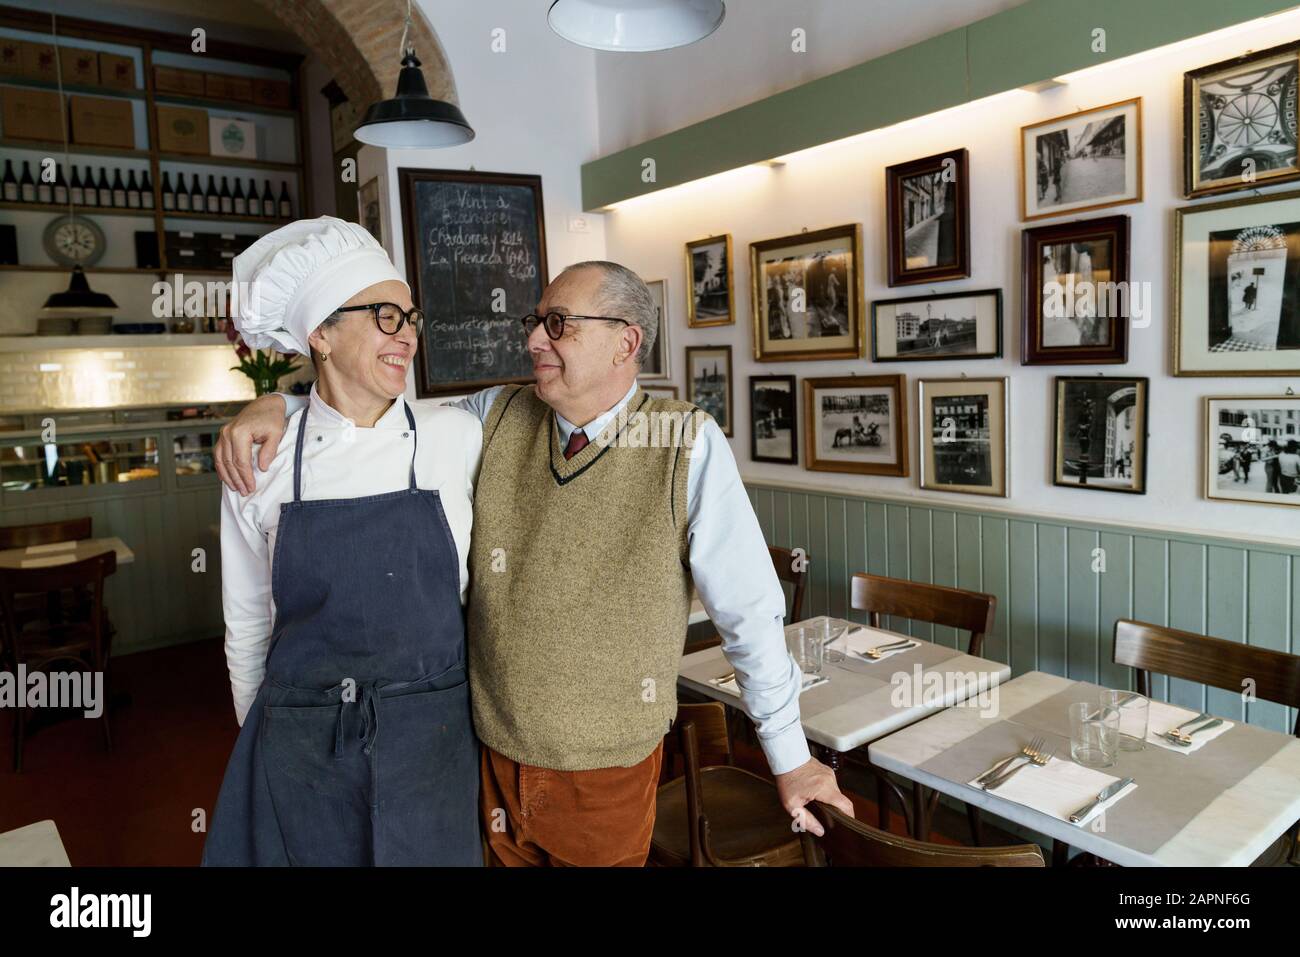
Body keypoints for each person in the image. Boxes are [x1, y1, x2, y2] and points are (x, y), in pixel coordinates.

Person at [215, 260, 853, 866]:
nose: (534, 341)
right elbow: (371, 416)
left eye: (558, 324)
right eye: (535, 321)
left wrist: (791, 758)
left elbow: (751, 614)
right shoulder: (493, 416)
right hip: (484, 757)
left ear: (625, 342)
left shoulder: (684, 441)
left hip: (604, 770)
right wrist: (281, 406)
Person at [202, 217, 483, 866]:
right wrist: (269, 742)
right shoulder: (259, 462)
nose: (407, 333)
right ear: (320, 334)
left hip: (433, 743)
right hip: (303, 750)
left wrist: (280, 398)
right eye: (386, 315)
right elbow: (246, 622)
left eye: (411, 316)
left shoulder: (456, 436)